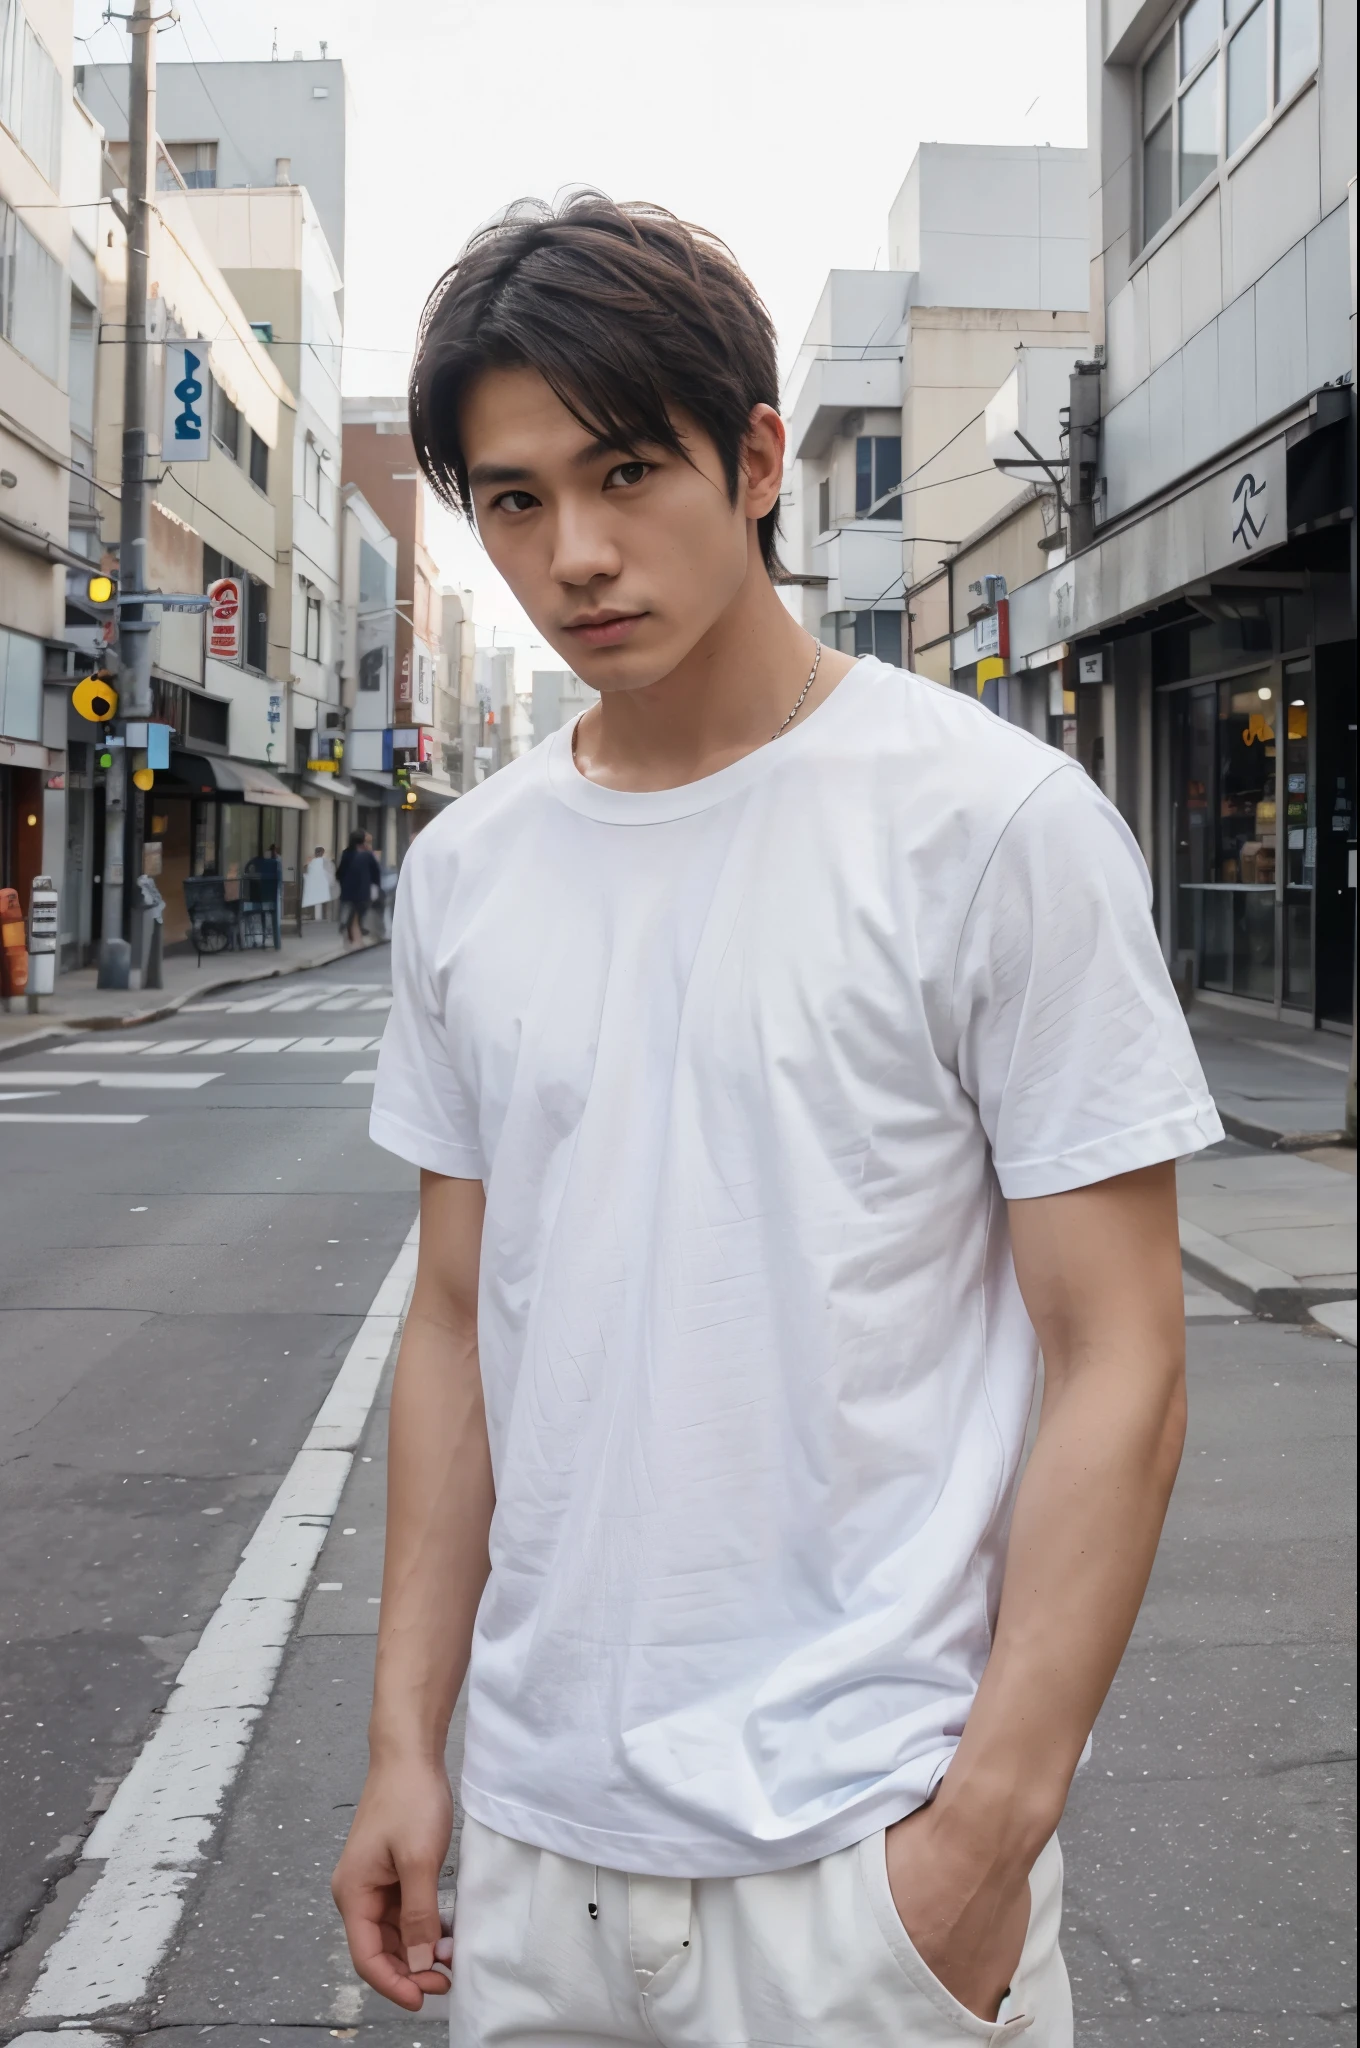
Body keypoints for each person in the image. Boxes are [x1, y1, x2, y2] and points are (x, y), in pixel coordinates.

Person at [332, 195, 1223, 2047]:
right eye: (511, 501)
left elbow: (1121, 1345)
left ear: (755, 462)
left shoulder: (988, 825)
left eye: (625, 470)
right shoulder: (468, 874)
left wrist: (984, 1831)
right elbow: (454, 1317)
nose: (575, 554)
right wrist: (407, 1744)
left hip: (863, 1862)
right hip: (532, 1853)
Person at [335, 829, 380, 947]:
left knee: (350, 914)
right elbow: (376, 873)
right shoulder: (368, 855)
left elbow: (339, 873)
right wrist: (375, 886)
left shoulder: (346, 854)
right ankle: (356, 938)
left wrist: (343, 882)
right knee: (357, 916)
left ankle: (350, 935)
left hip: (348, 891)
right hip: (363, 892)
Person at [302, 844, 336, 922]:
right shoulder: (313, 863)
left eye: (319, 852)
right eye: (317, 852)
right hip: (318, 885)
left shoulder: (324, 862)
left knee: (322, 902)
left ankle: (322, 916)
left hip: (322, 885)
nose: (318, 853)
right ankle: (317, 916)